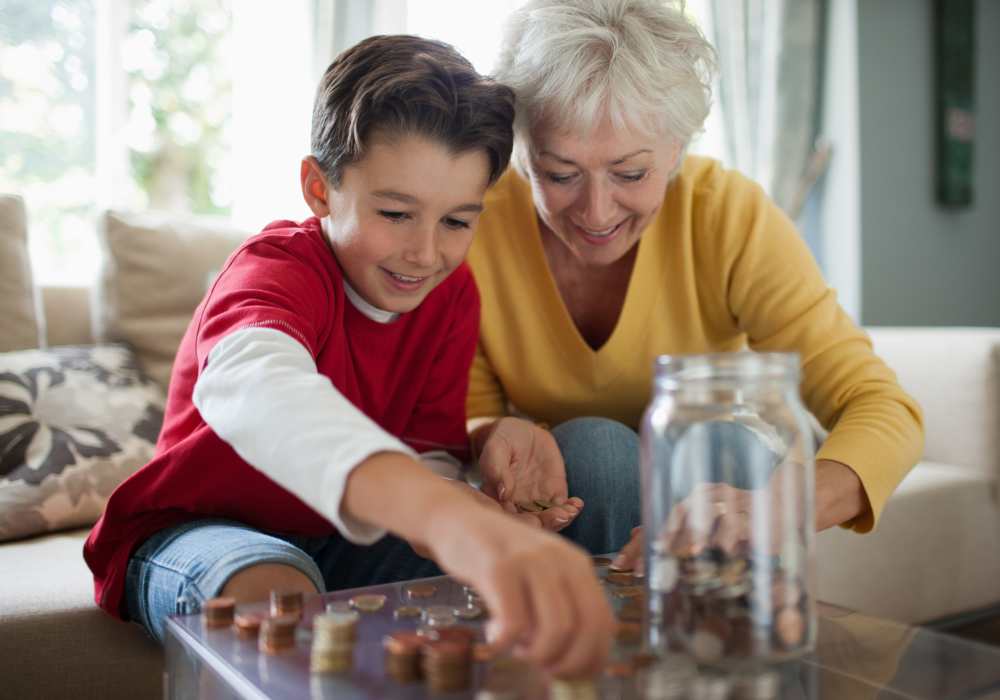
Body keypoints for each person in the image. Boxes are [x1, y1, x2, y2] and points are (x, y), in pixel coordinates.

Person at [84, 34, 615, 677]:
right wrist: (440, 515)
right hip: (199, 530)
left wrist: (466, 501)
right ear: (318, 188)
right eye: (395, 212)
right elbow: (260, 390)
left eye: (456, 221)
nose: (425, 253)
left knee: (498, 587)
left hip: (342, 539)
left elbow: (427, 450)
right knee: (277, 591)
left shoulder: (450, 297)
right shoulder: (275, 271)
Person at [466, 0, 924, 564]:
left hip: (713, 473)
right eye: (560, 175)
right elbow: (473, 411)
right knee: (597, 449)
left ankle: (713, 639)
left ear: (677, 148)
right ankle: (593, 639)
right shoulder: (477, 222)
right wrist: (495, 435)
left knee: (717, 444)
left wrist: (785, 506)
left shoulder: (726, 214)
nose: (596, 211)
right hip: (583, 487)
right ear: (522, 154)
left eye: (631, 173)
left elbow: (880, 406)